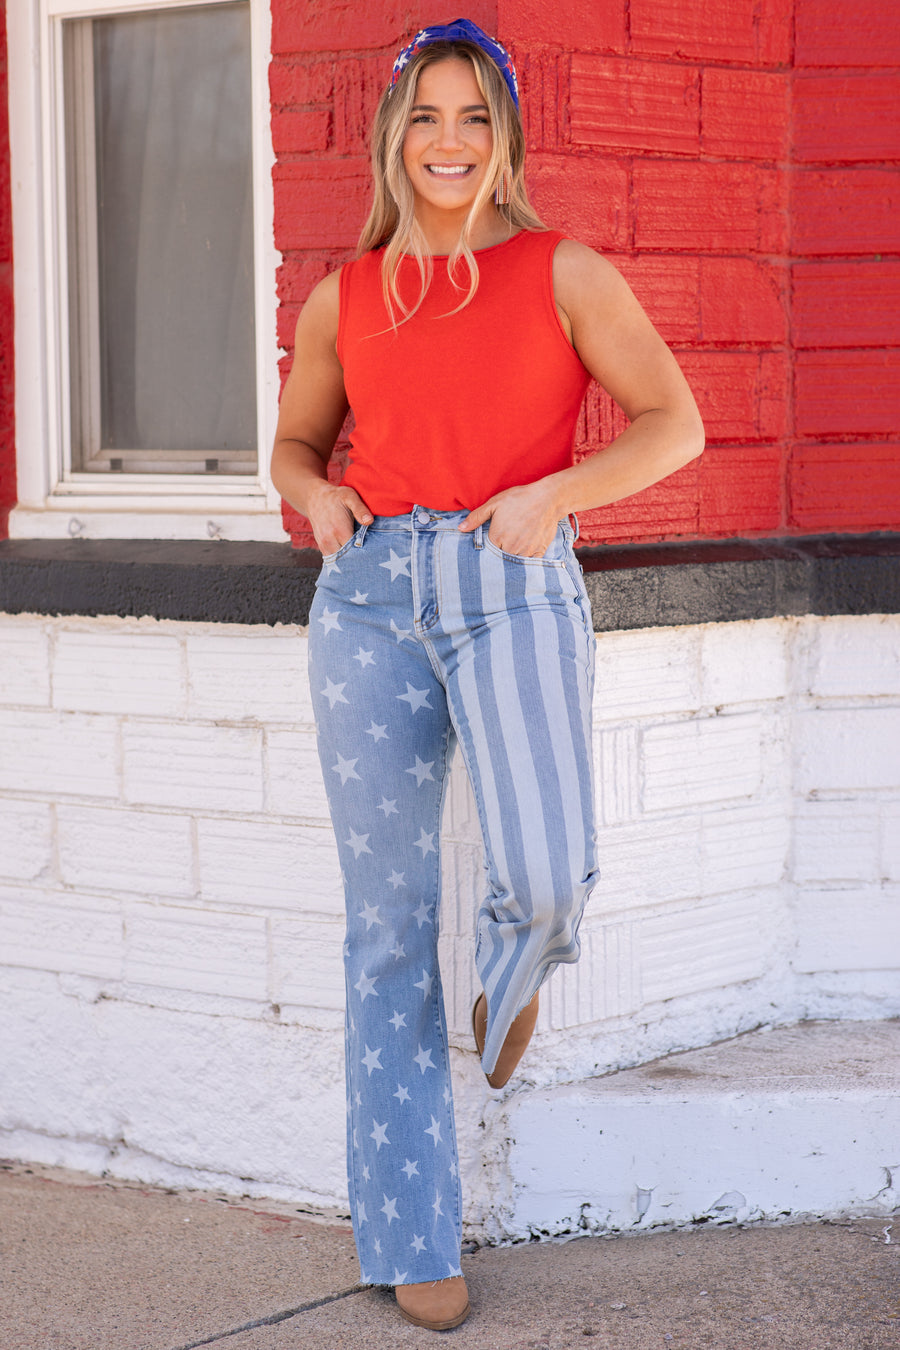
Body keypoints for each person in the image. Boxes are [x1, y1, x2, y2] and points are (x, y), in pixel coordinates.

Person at [271, 18, 704, 1332]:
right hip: (369, 601)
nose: (449, 143)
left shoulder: (560, 269)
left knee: (552, 865)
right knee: (386, 930)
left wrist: (555, 497)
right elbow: (296, 445)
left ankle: (512, 974)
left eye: (474, 118)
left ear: (504, 137)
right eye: (427, 117)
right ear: (394, 136)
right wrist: (315, 499)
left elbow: (674, 424)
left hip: (507, 577)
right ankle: (410, 1230)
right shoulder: (347, 295)